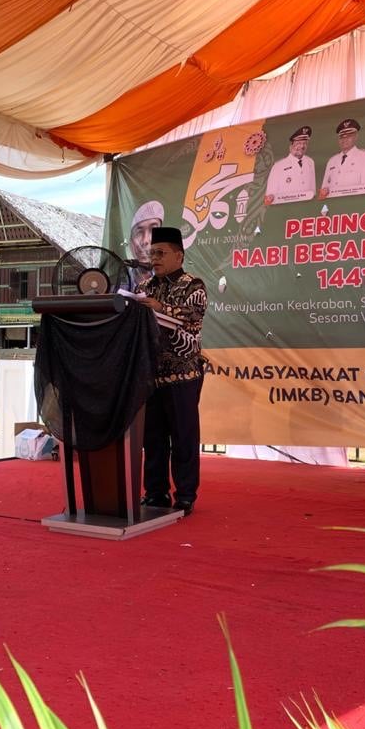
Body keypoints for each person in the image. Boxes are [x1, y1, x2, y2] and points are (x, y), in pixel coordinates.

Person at [135, 226, 207, 516]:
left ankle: (186, 495)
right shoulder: (145, 287)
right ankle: (156, 493)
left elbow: (193, 314)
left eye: (161, 253)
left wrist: (158, 307)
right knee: (152, 438)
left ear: (179, 256)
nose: (154, 258)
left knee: (183, 437)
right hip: (151, 375)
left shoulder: (194, 286)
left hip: (183, 375)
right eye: (152, 253)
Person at [318, 118, 365, 198]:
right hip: (332, 203)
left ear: (356, 137)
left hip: (352, 203)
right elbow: (323, 191)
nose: (345, 139)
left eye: (349, 136)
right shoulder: (332, 161)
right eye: (342, 137)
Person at [264, 126, 315, 204]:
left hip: (307, 206)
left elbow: (313, 190)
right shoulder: (278, 166)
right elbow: (269, 197)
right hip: (286, 208)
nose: (302, 146)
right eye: (298, 143)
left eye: (305, 143)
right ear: (291, 146)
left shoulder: (310, 162)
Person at [128, 200, 163, 283]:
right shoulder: (114, 283)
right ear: (130, 241)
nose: (145, 241)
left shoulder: (172, 282)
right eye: (138, 232)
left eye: (153, 231)